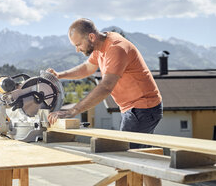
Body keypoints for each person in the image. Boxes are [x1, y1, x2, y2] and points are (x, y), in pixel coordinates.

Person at [47, 18, 163, 186]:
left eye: (78, 45)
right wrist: (60, 75)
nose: (78, 50)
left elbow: (106, 86)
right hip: (138, 109)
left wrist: (73, 110)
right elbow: (87, 68)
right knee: (144, 159)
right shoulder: (101, 45)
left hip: (141, 108)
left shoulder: (116, 48)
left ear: (91, 37)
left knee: (124, 163)